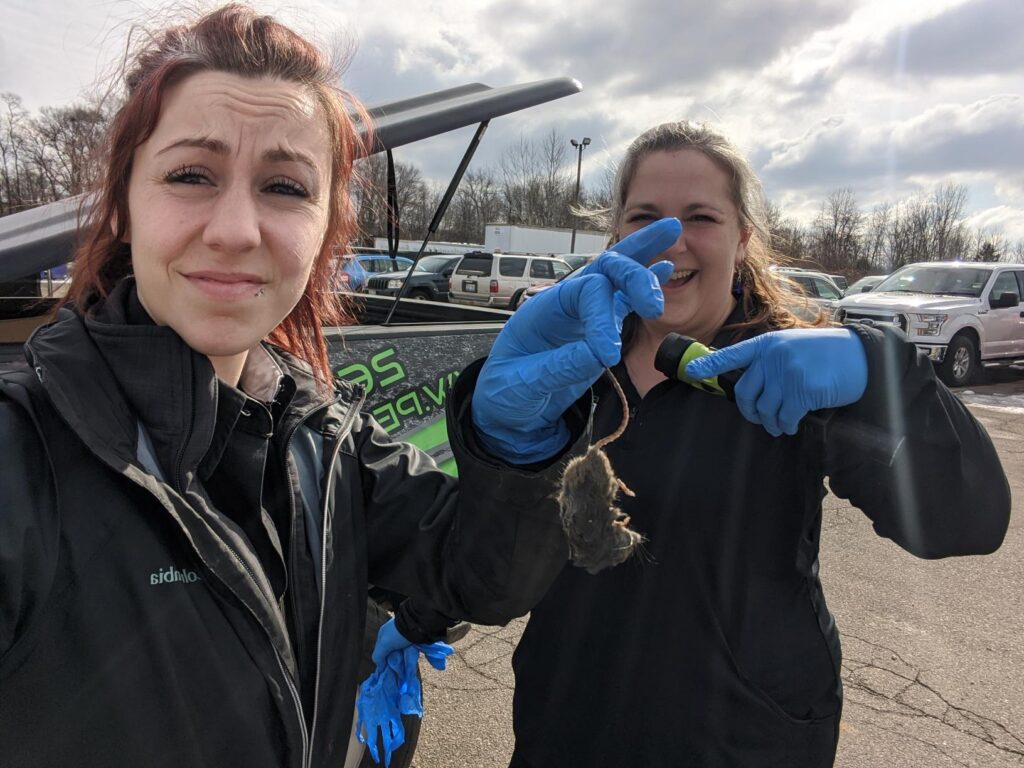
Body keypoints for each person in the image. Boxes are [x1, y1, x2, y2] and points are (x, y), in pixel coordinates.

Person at [0, 6, 680, 768]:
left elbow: (478, 579)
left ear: (326, 227)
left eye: (285, 187)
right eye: (191, 174)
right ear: (124, 204)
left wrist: (517, 449)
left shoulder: (317, 434)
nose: (234, 229)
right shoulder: (19, 450)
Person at [505, 121, 1011, 767]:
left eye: (701, 217)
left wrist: (881, 370)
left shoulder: (791, 377)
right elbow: (492, 518)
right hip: (568, 720)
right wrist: (418, 615)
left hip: (740, 736)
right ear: (616, 235)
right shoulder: (567, 363)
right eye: (645, 217)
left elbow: (966, 518)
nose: (673, 241)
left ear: (744, 237)